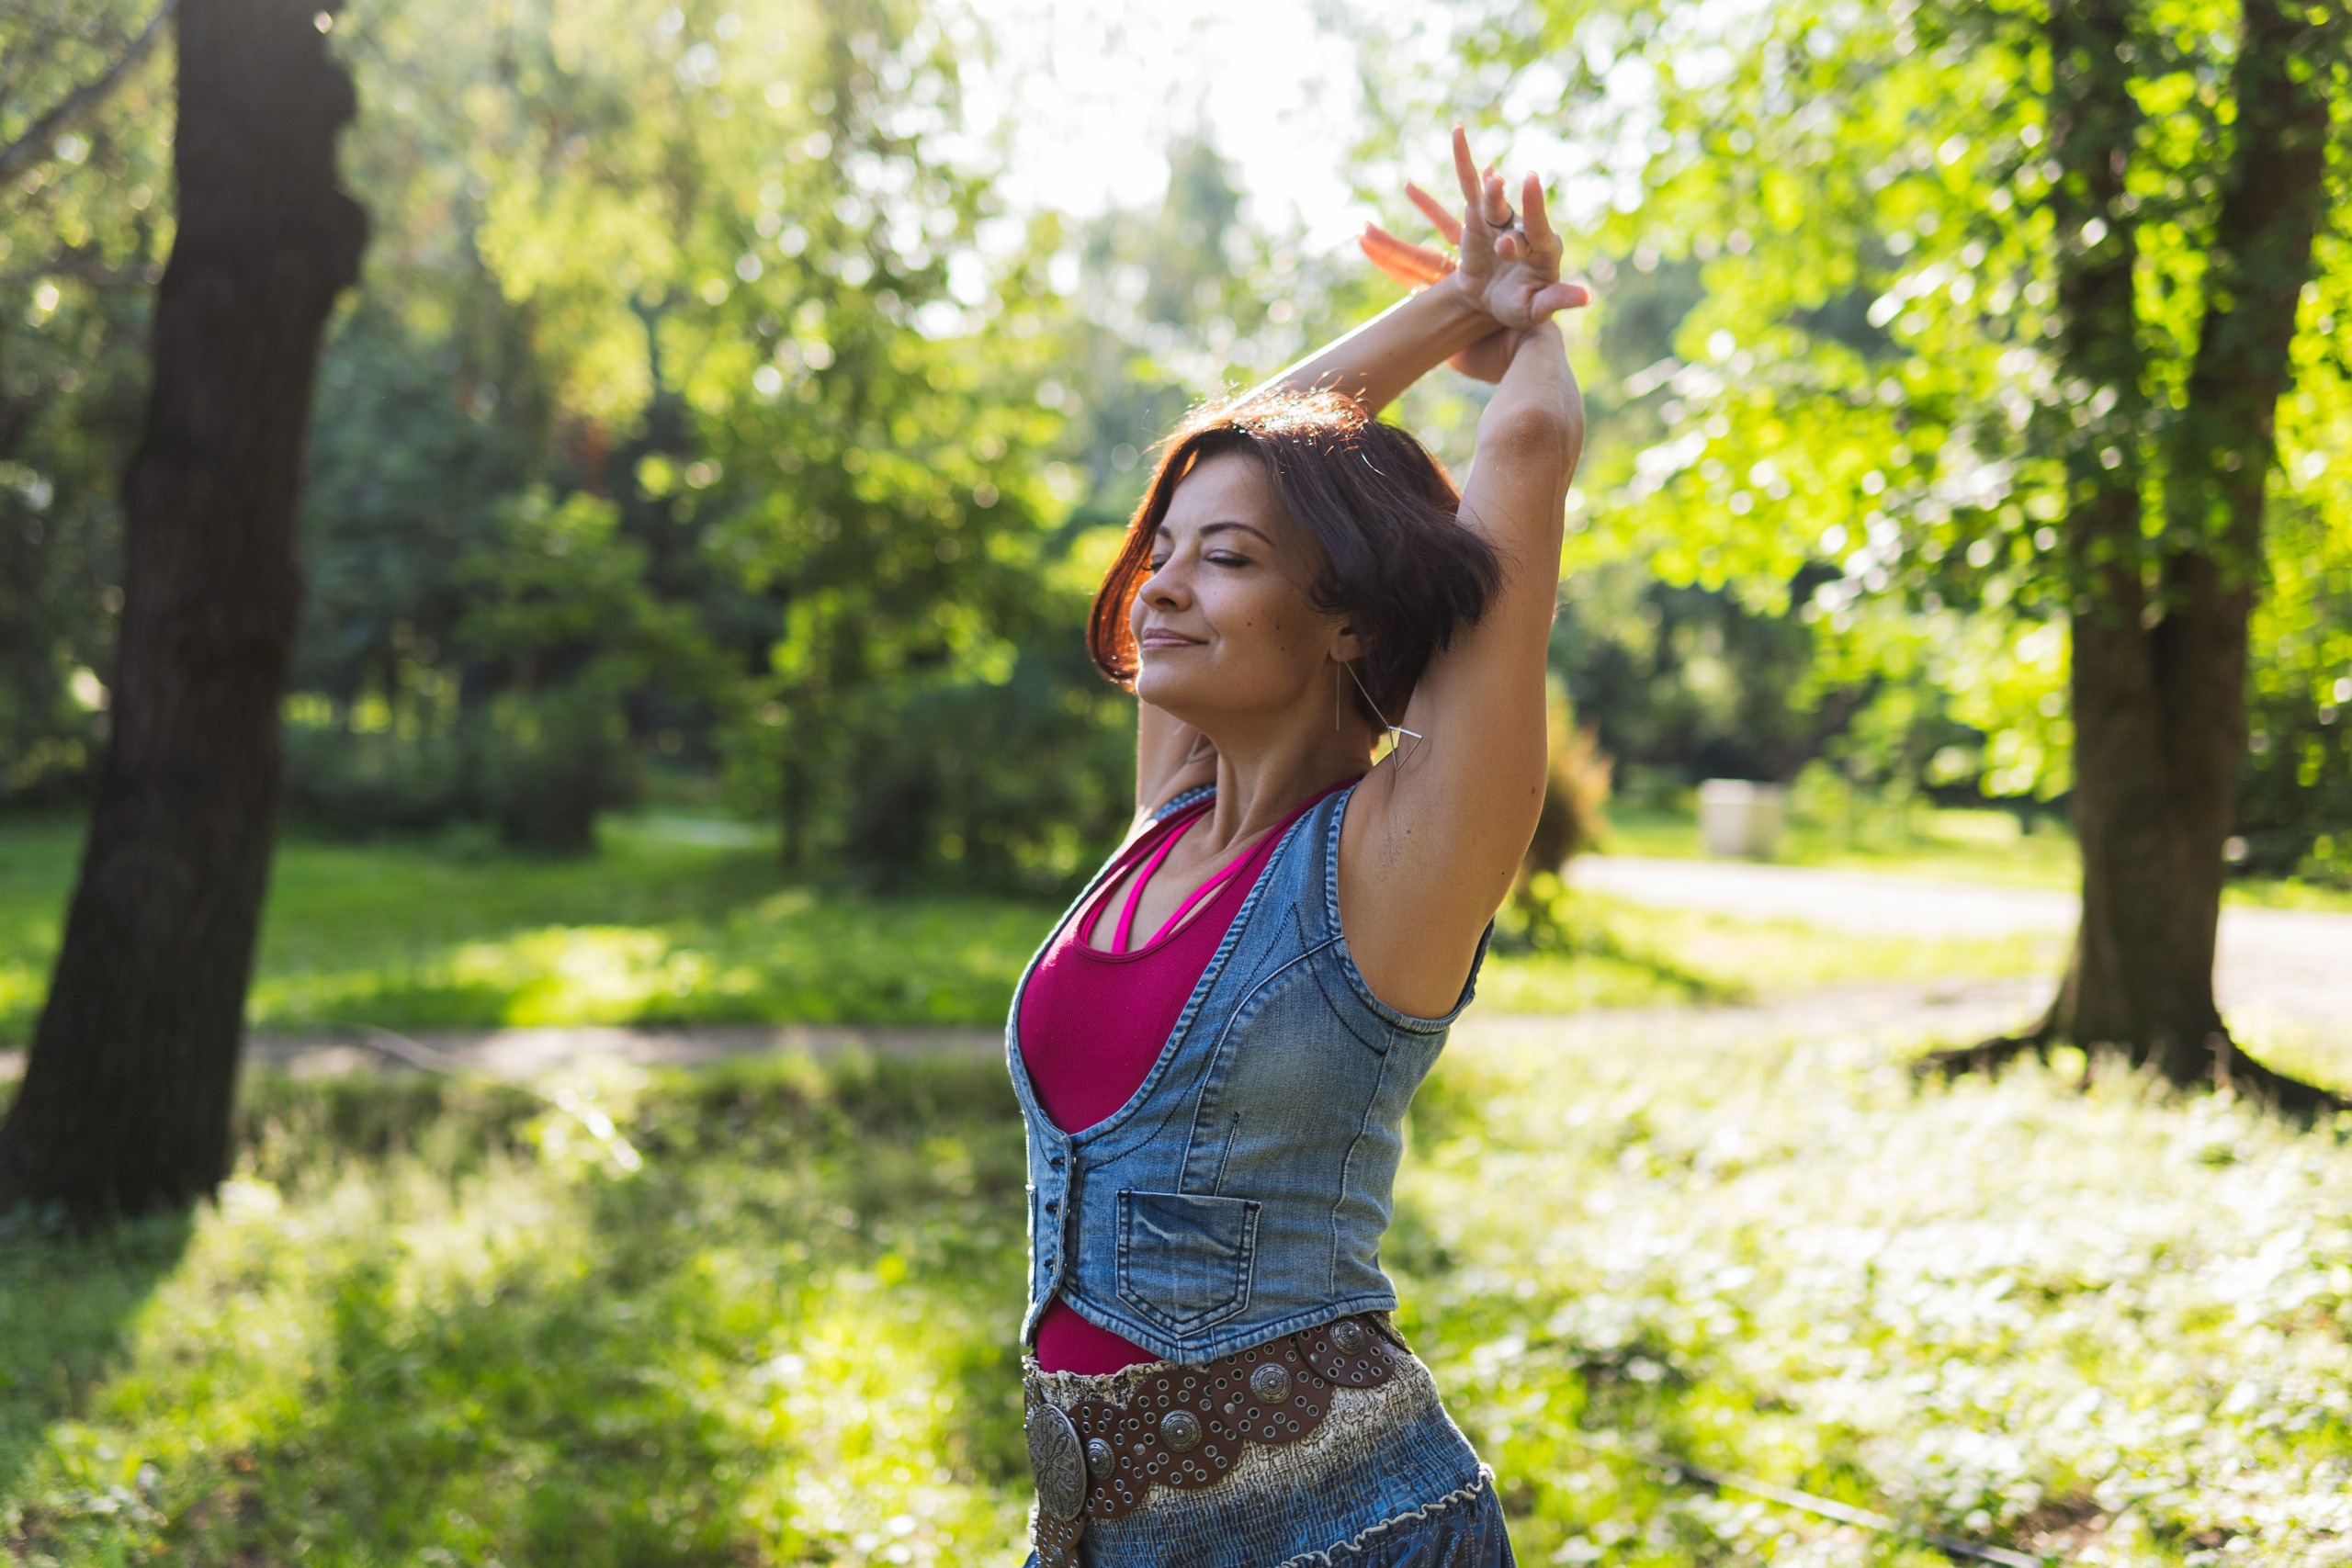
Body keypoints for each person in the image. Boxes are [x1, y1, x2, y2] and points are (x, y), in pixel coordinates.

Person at [1007, 129, 1589, 1568]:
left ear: (1349, 620)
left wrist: (1525, 333)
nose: (1164, 583)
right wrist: (1447, 304)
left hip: (1349, 1534)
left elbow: (1522, 449)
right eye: (1167, 554)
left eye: (1232, 559)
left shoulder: (1402, 859)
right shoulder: (1166, 819)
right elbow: (1246, 445)